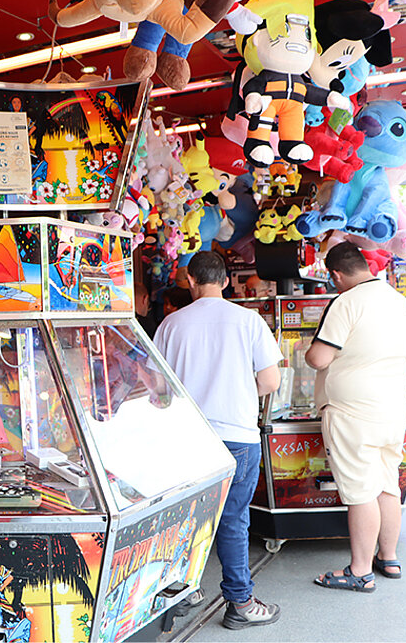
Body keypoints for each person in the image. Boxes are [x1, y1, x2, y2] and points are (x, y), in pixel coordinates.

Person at [152, 251, 282, 629]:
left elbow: (158, 386)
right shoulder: (249, 321)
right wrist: (240, 392)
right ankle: (240, 603)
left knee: (183, 518)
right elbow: (270, 381)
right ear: (225, 281)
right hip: (238, 437)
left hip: (187, 438)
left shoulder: (171, 325)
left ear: (189, 281)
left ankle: (181, 592)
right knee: (233, 520)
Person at [305, 242, 406, 592]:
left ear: (335, 274)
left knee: (360, 492)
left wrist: (308, 351)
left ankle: (361, 571)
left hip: (353, 412)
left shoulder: (345, 302)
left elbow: (319, 358)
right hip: (393, 408)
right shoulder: (397, 299)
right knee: (386, 485)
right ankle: (389, 557)